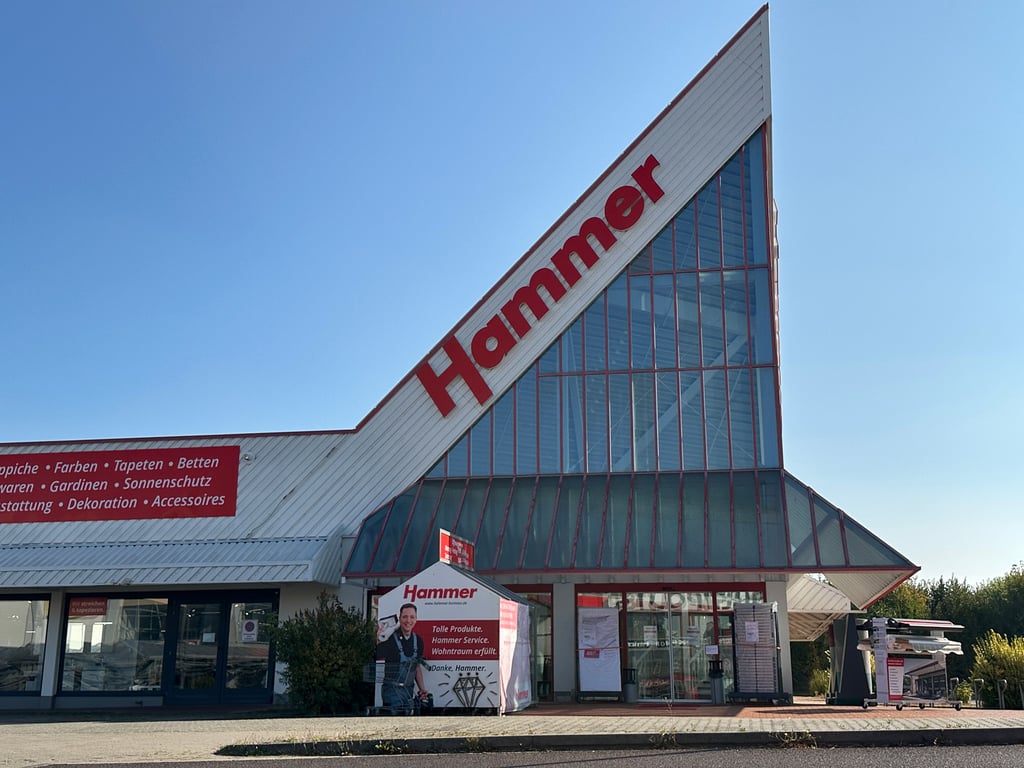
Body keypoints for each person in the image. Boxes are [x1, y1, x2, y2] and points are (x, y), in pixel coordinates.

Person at [375, 602, 428, 714]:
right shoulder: (390, 639)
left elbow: (416, 667)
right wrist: (379, 639)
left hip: (408, 691)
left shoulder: (418, 641)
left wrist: (422, 689)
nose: (408, 620)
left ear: (416, 619)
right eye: (405, 617)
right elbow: (377, 654)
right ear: (399, 619)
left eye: (412, 617)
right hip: (391, 692)